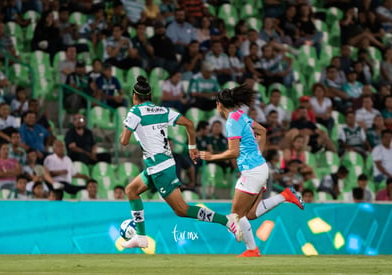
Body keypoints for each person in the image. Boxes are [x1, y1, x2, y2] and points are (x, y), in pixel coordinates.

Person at [119, 76, 242, 249]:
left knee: (182, 210)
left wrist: (126, 126)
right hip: (161, 164)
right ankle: (141, 237)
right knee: (131, 190)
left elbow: (124, 141)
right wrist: (192, 147)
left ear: (134, 95)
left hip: (160, 168)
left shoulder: (135, 112)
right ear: (151, 94)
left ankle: (227, 221)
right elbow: (189, 124)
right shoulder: (162, 110)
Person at [200, 85, 304, 257]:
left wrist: (211, 157)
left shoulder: (232, 121)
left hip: (252, 171)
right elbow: (262, 131)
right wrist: (258, 154)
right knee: (250, 214)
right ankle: (285, 196)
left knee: (236, 215)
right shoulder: (241, 115)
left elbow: (234, 152)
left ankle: (252, 249)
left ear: (219, 104)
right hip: (260, 168)